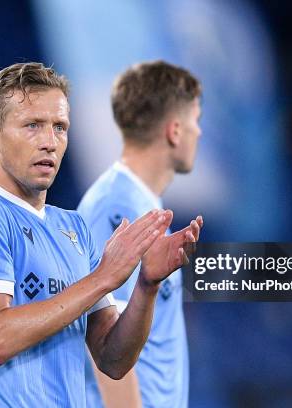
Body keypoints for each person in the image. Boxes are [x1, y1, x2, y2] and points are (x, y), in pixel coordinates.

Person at [0, 62, 203, 407]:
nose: (49, 142)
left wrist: (146, 285)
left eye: (60, 127)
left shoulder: (73, 228)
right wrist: (103, 278)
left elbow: (113, 360)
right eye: (32, 126)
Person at [78, 60, 202, 408]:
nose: (199, 132)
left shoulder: (139, 204)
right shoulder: (116, 207)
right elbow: (103, 344)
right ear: (174, 131)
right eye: (196, 119)